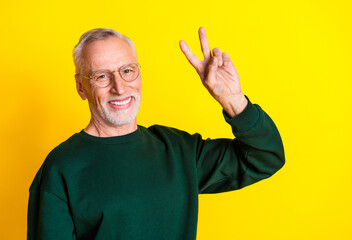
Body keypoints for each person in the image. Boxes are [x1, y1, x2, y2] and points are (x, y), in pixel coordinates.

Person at [27, 27, 285, 240]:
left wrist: (233, 100)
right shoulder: (61, 168)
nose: (120, 87)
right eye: (102, 76)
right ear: (81, 87)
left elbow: (265, 157)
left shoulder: (177, 150)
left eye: (127, 70)